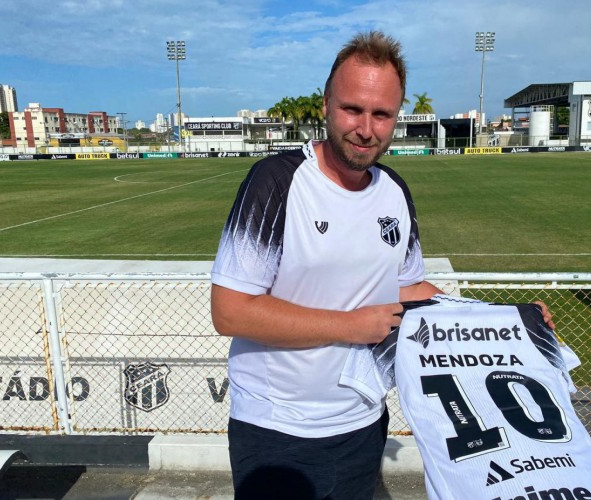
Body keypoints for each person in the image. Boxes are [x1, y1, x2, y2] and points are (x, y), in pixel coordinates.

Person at [211, 31, 552, 499]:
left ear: (396, 117)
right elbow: (230, 311)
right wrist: (351, 326)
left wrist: (509, 320)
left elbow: (410, 290)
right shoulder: (277, 182)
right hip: (277, 431)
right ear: (327, 104)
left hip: (363, 425)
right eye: (353, 109)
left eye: (381, 114)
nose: (366, 128)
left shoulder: (393, 190)